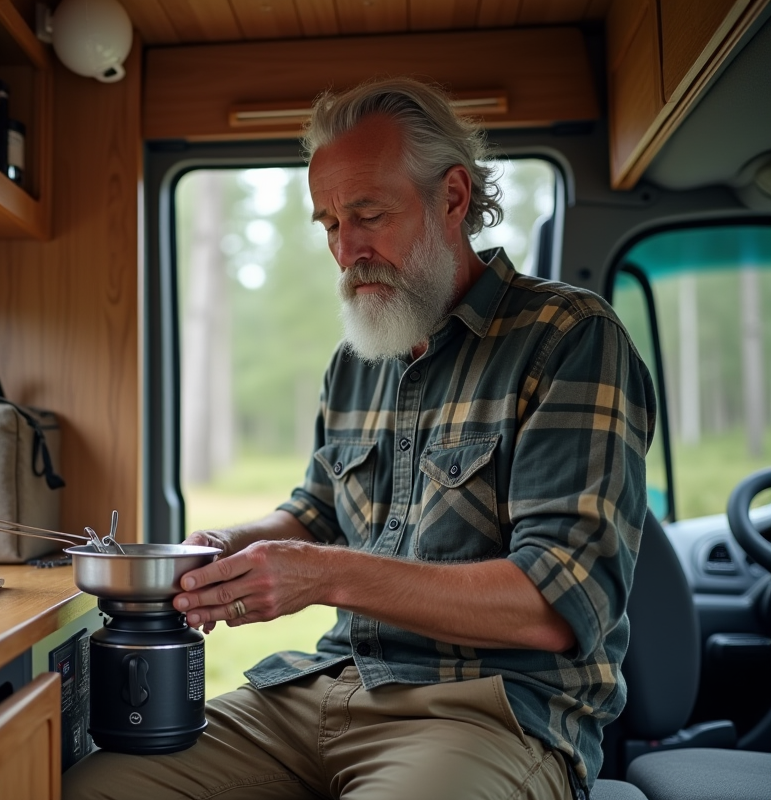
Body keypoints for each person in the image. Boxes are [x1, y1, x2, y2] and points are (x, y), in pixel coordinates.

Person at [65, 77, 655, 800]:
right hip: (325, 686)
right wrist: (226, 547)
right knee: (92, 784)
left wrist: (323, 575)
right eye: (329, 224)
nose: (347, 250)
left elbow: (558, 604)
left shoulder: (570, 338)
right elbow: (317, 512)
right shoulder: (357, 361)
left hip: (489, 710)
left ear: (453, 197)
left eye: (369, 215)